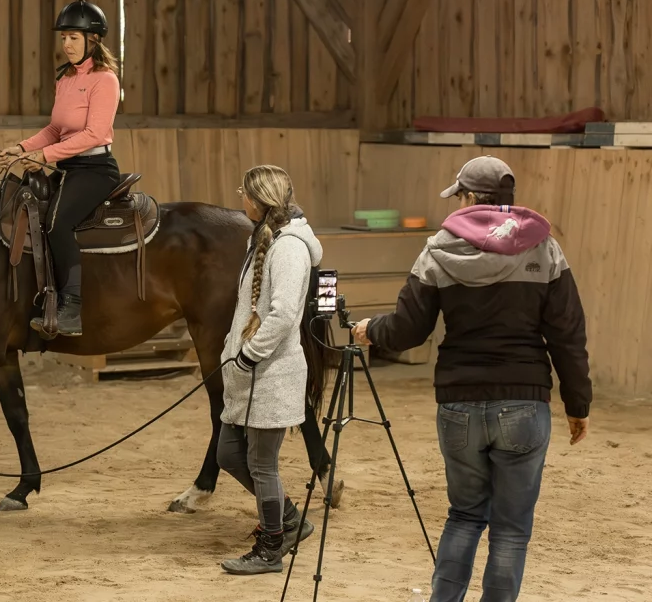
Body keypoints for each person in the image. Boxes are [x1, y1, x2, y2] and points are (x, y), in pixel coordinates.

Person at [351, 155, 592, 601]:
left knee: (463, 517)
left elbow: (408, 330)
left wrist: (372, 331)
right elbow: (568, 336)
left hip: (459, 403)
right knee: (511, 529)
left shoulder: (438, 249)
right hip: (524, 402)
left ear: (467, 197)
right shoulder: (544, 248)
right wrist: (578, 404)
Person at [216, 164, 338, 576]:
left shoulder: (288, 248)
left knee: (261, 465)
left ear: (257, 200)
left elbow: (283, 313)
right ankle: (288, 519)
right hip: (247, 376)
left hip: (270, 374)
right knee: (228, 454)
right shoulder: (263, 238)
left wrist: (250, 354)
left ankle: (271, 548)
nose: (240, 199)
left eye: (243, 193)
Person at [0, 0, 121, 337]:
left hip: (95, 168)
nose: (66, 44)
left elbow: (94, 133)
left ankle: (72, 307)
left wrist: (43, 157)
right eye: (64, 37)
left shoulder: (105, 80)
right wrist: (23, 147)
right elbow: (55, 129)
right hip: (68, 165)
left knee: (57, 222)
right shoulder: (66, 79)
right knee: (28, 209)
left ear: (92, 41)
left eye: (73, 38)